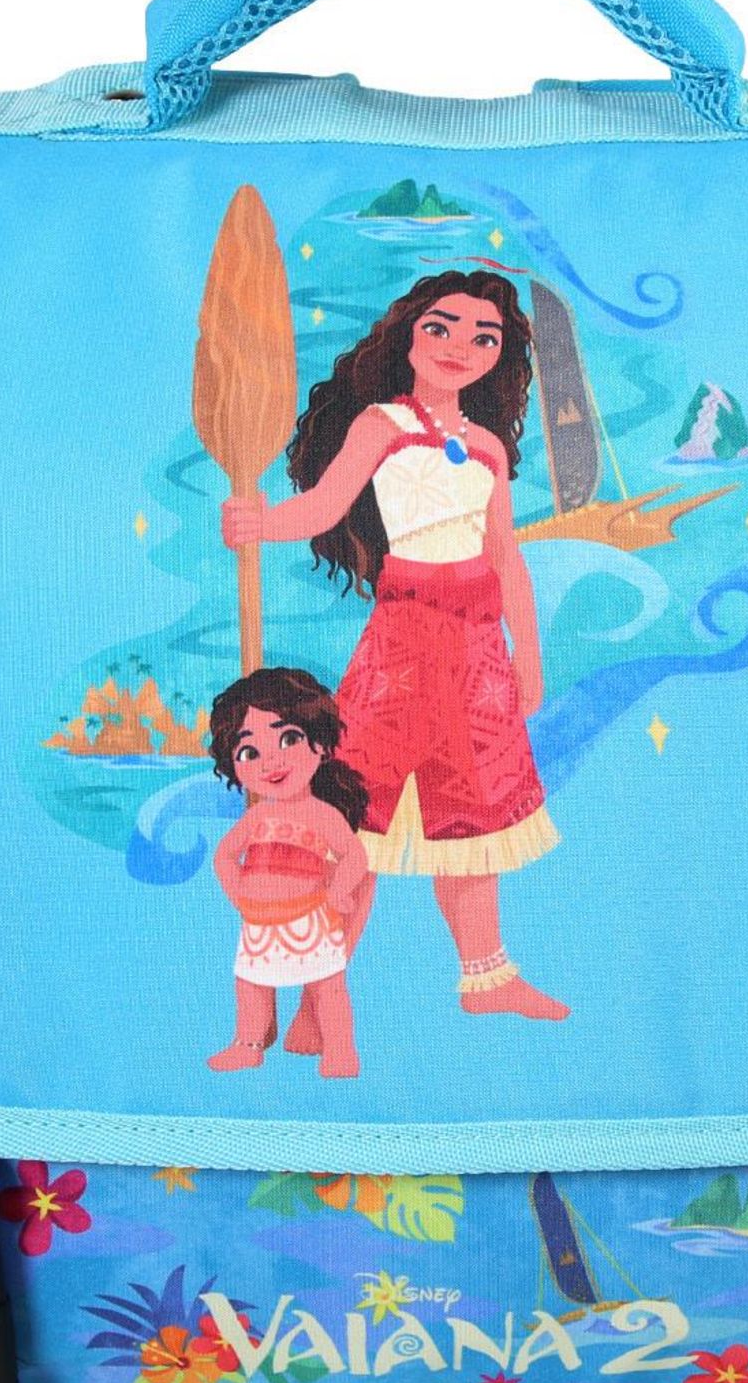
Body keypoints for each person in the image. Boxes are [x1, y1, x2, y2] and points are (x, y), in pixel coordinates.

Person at [222, 270, 567, 1023]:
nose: (458, 347)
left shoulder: (486, 447)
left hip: (476, 653)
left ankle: (488, 978)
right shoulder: (383, 423)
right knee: (360, 814)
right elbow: (322, 506)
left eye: (484, 337)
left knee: (475, 818)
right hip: (403, 642)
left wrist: (529, 657)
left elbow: (506, 556)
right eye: (440, 327)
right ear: (409, 334)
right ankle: (317, 992)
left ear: (499, 358)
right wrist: (263, 524)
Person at [205, 667, 370, 1078]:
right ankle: (248, 1045)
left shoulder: (323, 815)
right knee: (251, 985)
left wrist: (339, 891)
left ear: (321, 745)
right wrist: (239, 896)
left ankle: (339, 1049)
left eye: (289, 739)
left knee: (328, 986)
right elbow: (224, 856)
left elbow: (354, 855)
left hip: (311, 917)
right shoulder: (257, 817)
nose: (271, 762)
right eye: (249, 752)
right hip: (260, 925)